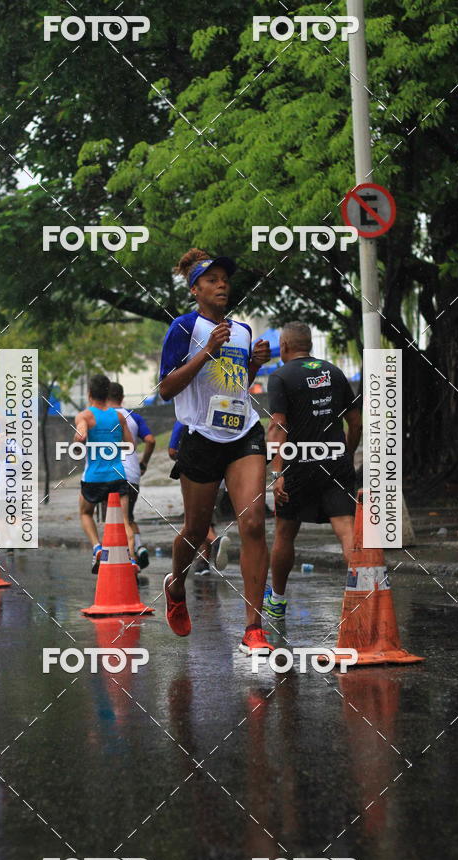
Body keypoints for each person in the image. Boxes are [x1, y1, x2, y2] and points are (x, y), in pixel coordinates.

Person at [159, 248, 272, 654]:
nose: (222, 284)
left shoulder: (240, 330)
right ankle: (176, 584)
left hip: (243, 433)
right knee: (194, 529)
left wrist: (255, 364)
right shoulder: (183, 328)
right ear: (195, 290)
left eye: (225, 278)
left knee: (254, 522)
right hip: (201, 437)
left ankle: (254, 629)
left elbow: (235, 386)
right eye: (212, 279)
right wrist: (206, 351)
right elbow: (166, 388)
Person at [264, 322, 362, 618]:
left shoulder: (280, 376)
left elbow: (277, 426)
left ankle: (278, 601)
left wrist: (276, 473)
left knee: (284, 533)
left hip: (298, 465)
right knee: (346, 531)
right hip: (336, 462)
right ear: (309, 345)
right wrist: (347, 453)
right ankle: (363, 596)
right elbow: (355, 422)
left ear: (283, 346)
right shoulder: (334, 371)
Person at [75, 374, 136, 573]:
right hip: (118, 475)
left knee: (85, 512)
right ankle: (132, 560)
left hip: (94, 478)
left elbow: (81, 434)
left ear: (89, 393)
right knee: (124, 521)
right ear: (107, 393)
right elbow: (130, 445)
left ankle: (97, 547)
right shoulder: (119, 417)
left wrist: (80, 438)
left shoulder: (85, 416)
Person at [168, 420, 230, 576]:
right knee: (208, 520)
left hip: (197, 477)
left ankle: (215, 542)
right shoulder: (221, 416)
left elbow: (171, 450)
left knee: (196, 521)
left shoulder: (185, 418)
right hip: (221, 480)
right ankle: (204, 562)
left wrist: (184, 456)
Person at [106, 382, 155, 569]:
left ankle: (129, 563)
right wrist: (144, 463)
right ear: (122, 398)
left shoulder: (101, 417)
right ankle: (139, 546)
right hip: (133, 473)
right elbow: (150, 440)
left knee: (116, 520)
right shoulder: (134, 417)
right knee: (129, 516)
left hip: (111, 474)